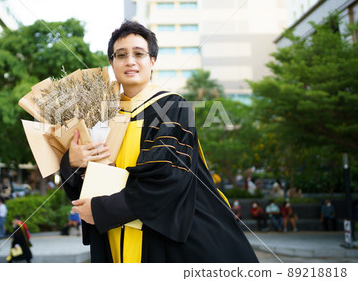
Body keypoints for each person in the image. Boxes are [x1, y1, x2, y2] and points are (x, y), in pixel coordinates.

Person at [60, 21, 258, 263]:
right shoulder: (101, 115)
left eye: (138, 54)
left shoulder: (173, 107)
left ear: (152, 61)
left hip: (161, 240)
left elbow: (168, 177)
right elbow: (82, 183)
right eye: (121, 55)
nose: (130, 61)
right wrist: (72, 162)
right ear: (112, 63)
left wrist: (103, 210)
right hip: (113, 236)